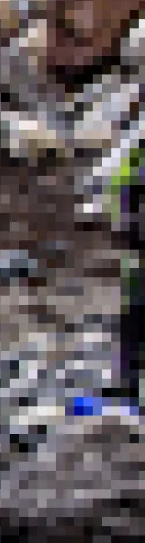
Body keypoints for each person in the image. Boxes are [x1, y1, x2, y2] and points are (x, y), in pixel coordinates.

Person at [109, 138, 145, 410]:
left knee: (133, 320)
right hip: (138, 252)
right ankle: (129, 389)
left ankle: (129, 389)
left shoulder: (136, 156)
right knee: (132, 320)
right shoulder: (136, 156)